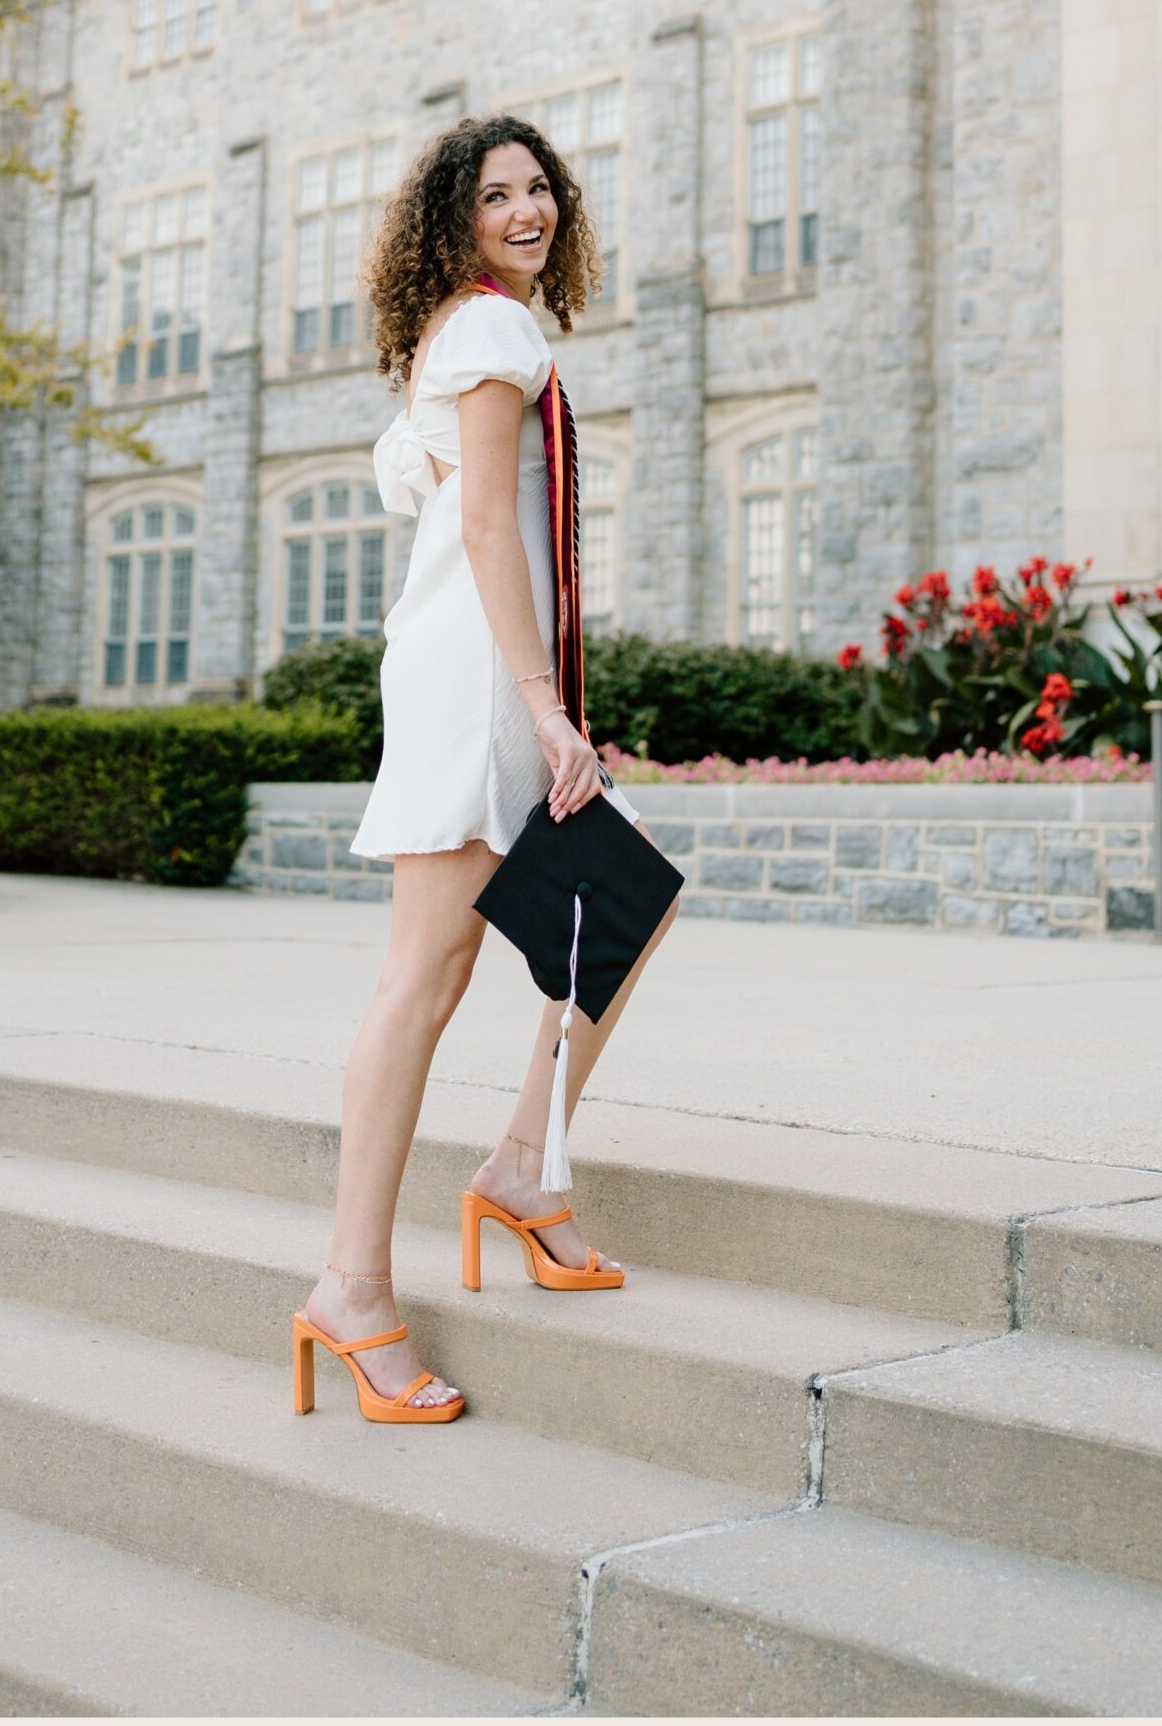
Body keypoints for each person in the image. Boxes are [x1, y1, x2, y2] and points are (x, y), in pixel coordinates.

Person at [291, 115, 680, 1425]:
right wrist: (543, 707)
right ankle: (351, 1287)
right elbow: (480, 526)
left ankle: (524, 1164)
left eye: (540, 190)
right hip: (478, 687)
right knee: (426, 978)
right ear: (453, 221)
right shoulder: (495, 333)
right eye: (496, 195)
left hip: (482, 674)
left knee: (619, 905)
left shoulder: (460, 336)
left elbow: (446, 493)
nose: (526, 211)